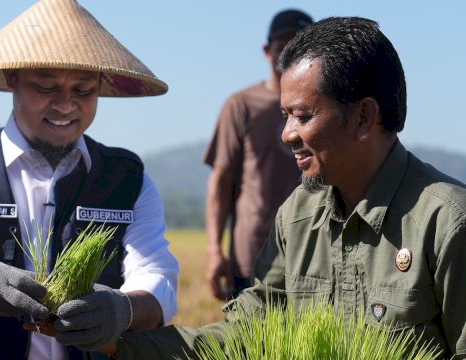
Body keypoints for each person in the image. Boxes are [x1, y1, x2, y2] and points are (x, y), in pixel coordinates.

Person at [105, 16, 466, 359]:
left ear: (363, 117)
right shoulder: (298, 216)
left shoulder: (447, 224)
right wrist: (116, 343)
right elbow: (248, 335)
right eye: (285, 116)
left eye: (303, 116)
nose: (287, 134)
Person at [0, 0, 179, 359]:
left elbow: (158, 280)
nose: (65, 105)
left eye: (83, 90)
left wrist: (124, 309)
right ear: (13, 78)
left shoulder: (127, 180)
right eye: (46, 87)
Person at [203, 9, 311, 300]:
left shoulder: (326, 110)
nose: (291, 56)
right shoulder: (243, 106)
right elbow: (221, 182)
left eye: (301, 47)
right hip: (252, 257)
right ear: (267, 51)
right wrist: (214, 250)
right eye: (282, 47)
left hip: (312, 258)